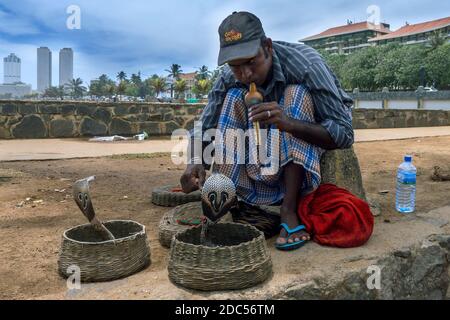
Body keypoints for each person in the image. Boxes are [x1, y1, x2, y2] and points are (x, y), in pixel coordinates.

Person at [180, 11, 354, 251]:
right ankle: (230, 197)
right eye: (236, 67)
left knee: (296, 93)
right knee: (232, 97)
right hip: (265, 146)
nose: (246, 75)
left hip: (310, 127)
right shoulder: (229, 78)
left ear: (268, 47)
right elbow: (205, 125)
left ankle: (289, 209)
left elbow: (344, 133)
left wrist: (288, 123)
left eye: (252, 62)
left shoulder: (306, 64)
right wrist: (195, 160)